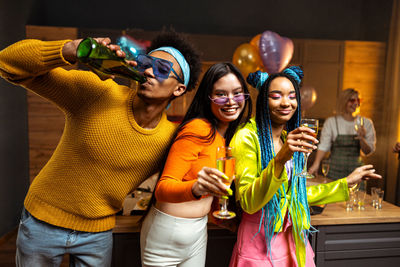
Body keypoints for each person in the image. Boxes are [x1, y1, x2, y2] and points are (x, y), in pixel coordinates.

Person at [0, 30, 201, 267]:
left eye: (162, 70)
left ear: (179, 89)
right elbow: (8, 64)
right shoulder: (99, 92)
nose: (147, 71)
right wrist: (71, 49)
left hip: (98, 234)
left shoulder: (170, 139)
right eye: (146, 63)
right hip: (42, 222)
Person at [228, 67, 382, 267]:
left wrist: (345, 183)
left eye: (292, 96)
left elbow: (296, 195)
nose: (286, 102)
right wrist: (280, 160)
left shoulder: (286, 136)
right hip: (258, 241)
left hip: (293, 239)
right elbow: (249, 202)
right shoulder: (246, 137)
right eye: (276, 96)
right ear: (263, 100)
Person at [140, 62, 252, 267]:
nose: (231, 101)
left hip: (198, 232)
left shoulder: (229, 136)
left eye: (237, 93)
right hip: (167, 234)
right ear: (208, 98)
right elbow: (163, 189)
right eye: (221, 94)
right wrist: (196, 187)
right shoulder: (198, 128)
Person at [309, 88, 376, 179]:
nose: (356, 103)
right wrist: (316, 164)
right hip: (334, 170)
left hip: (356, 171)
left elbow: (367, 151)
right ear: (344, 101)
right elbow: (323, 146)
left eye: (358, 100)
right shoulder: (332, 122)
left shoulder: (366, 122)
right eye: (352, 100)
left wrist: (361, 138)